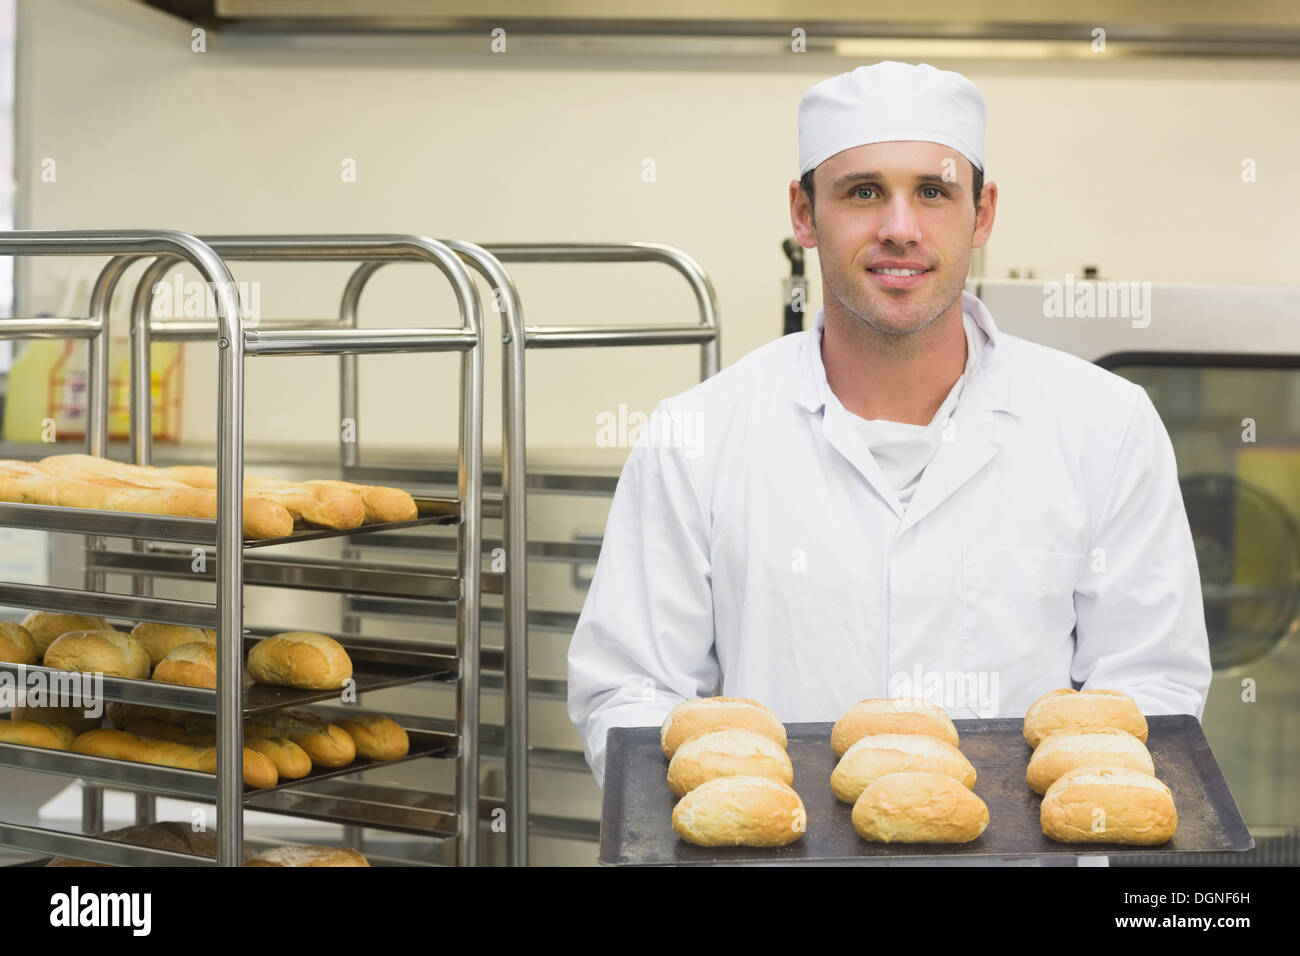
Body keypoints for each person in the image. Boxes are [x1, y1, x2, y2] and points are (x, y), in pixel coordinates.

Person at [567, 62, 1212, 861]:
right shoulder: (696, 435)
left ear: (984, 214)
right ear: (805, 214)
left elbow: (1149, 692)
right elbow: (628, 694)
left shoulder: (1105, 425)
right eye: (863, 191)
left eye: (934, 192)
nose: (900, 227)